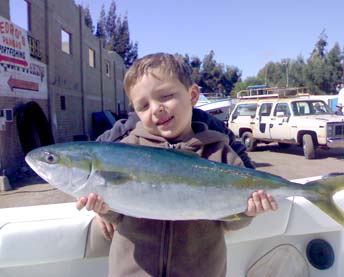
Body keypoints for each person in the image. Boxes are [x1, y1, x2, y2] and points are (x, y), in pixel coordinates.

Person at [77, 53, 278, 276]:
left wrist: (249, 212)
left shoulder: (220, 152)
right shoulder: (126, 150)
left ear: (192, 95)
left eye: (165, 96)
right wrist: (105, 211)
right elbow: (121, 216)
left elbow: (230, 223)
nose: (155, 109)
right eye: (143, 106)